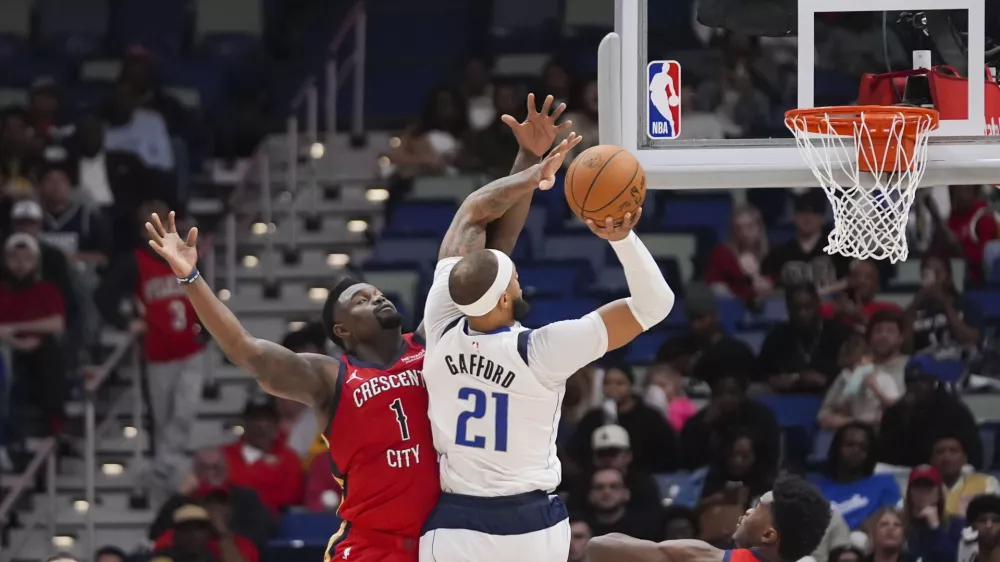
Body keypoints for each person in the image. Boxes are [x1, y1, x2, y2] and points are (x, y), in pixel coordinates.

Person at [145, 95, 573, 562]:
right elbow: (245, 349)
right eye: (361, 300)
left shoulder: (434, 344)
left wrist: (530, 159)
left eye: (376, 292)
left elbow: (494, 258)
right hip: (370, 548)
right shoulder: (330, 379)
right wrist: (190, 277)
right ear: (342, 330)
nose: (377, 297)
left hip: (444, 542)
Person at [418, 114, 674, 561]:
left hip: (454, 521)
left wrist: (530, 164)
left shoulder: (440, 323)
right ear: (502, 300)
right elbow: (655, 306)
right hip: (528, 523)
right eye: (514, 277)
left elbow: (472, 214)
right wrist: (621, 237)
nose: (521, 279)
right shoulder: (540, 352)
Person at [96, 200, 206, 495]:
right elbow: (104, 296)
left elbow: (206, 296)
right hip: (158, 352)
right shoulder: (134, 262)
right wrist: (125, 322)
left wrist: (207, 333)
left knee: (185, 410)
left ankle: (166, 465)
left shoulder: (187, 255)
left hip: (191, 348)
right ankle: (166, 475)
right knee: (163, 417)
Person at [585, 475, 832, 562]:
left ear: (768, 535)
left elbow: (599, 548)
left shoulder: (700, 557)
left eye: (757, 508)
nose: (747, 511)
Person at [809, 422, 901, 530]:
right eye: (850, 445)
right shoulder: (816, 489)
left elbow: (890, 519)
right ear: (837, 448)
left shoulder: (884, 483)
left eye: (863, 447)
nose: (856, 451)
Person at [903, 465, 964, 562]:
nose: (922, 493)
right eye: (917, 487)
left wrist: (935, 527)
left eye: (928, 487)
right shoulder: (898, 525)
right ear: (910, 493)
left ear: (939, 493)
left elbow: (952, 559)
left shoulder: (957, 525)